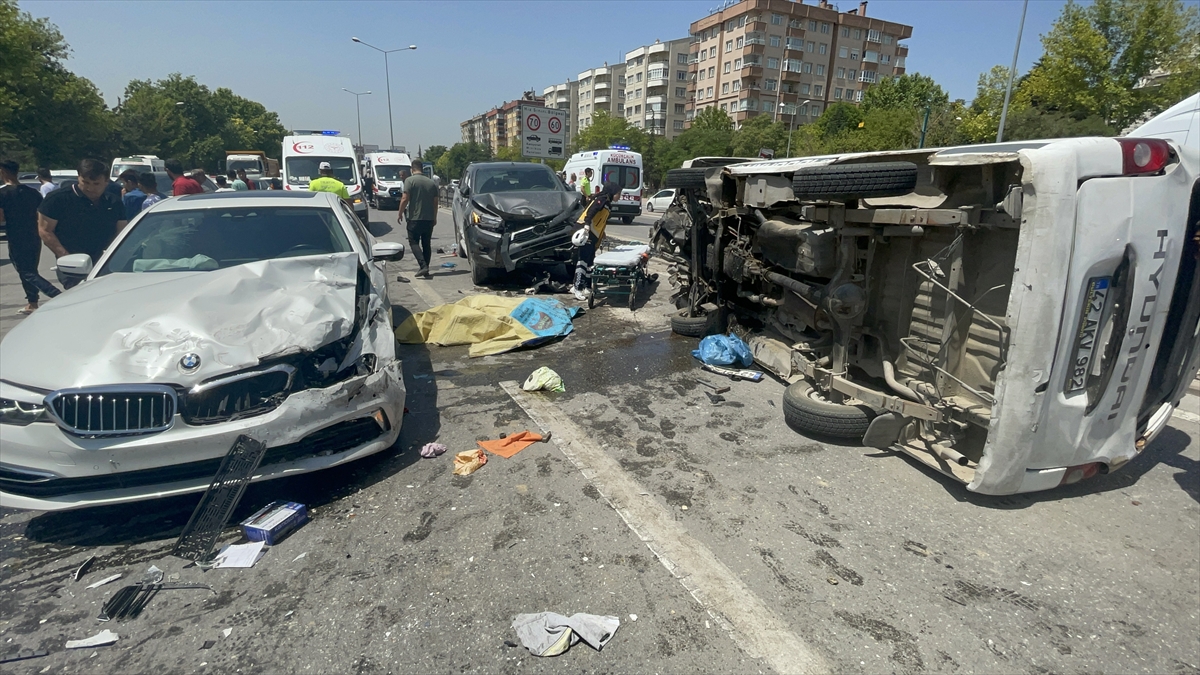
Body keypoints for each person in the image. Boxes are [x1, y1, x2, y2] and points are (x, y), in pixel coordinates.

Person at [37, 159, 127, 288]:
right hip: (73, 265)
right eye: (85, 182)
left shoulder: (113, 202)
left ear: (106, 181)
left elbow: (121, 232)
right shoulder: (57, 199)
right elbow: (45, 230)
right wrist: (65, 256)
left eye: (96, 184)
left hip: (106, 263)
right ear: (78, 177)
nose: (90, 188)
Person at [0, 159, 61, 314]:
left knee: (25, 271)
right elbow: (41, 213)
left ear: (3, 172)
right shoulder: (33, 193)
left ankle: (55, 294)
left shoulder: (3, 193)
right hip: (34, 234)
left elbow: (1, 217)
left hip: (16, 235)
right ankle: (32, 302)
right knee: (30, 269)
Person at [572, 180, 620, 301]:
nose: (619, 196)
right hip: (585, 231)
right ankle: (577, 287)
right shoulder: (602, 199)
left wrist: (602, 233)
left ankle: (587, 286)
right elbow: (591, 212)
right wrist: (587, 225)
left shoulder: (608, 203)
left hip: (593, 233)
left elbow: (601, 220)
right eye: (618, 193)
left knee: (590, 261)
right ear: (612, 192)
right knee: (583, 260)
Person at [398, 160, 439, 278]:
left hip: (414, 217)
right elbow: (435, 202)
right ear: (422, 169)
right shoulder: (431, 183)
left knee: (413, 242)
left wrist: (400, 213)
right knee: (426, 243)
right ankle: (426, 268)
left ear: (412, 169)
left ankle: (423, 266)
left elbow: (405, 198)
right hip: (429, 218)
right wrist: (434, 217)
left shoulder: (409, 181)